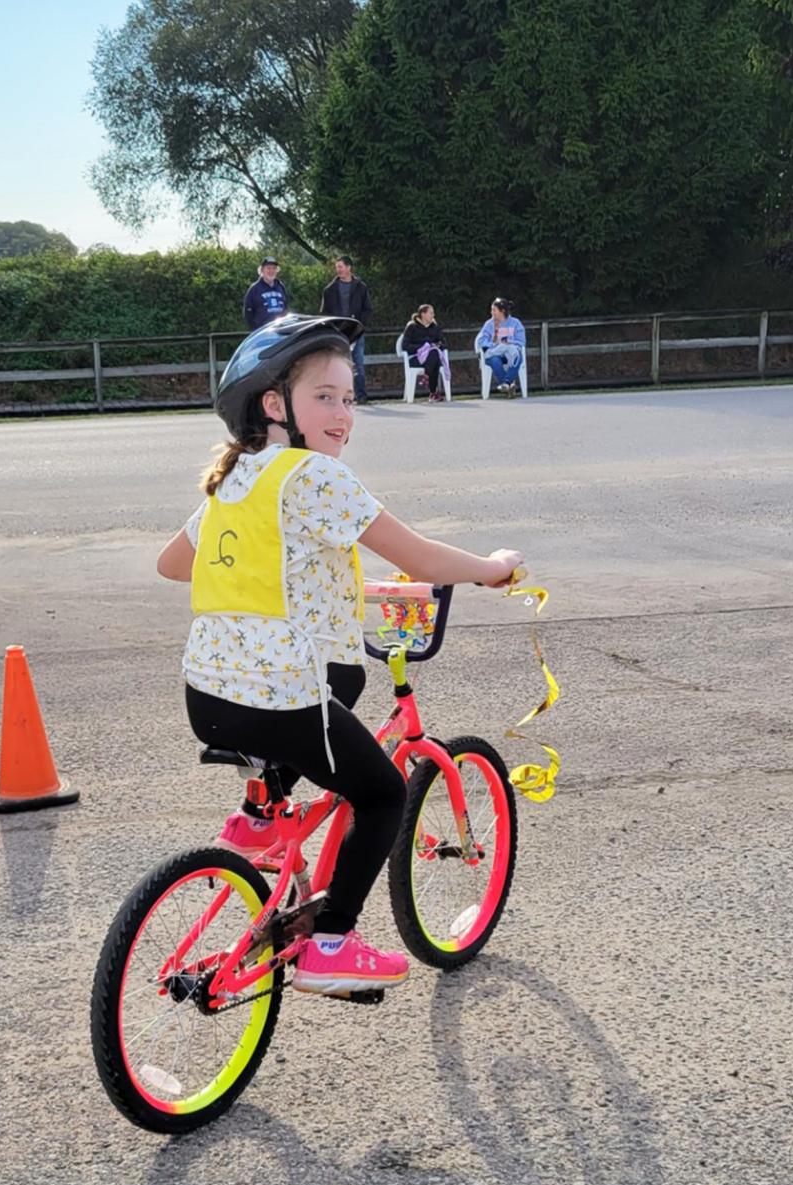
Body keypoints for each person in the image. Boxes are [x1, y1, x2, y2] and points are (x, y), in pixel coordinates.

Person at [156, 314, 525, 997]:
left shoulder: (232, 484)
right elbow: (418, 555)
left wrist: (291, 571)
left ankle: (260, 815)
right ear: (275, 405)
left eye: (351, 399)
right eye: (325, 396)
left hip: (208, 699)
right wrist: (492, 567)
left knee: (341, 682)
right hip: (280, 699)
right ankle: (331, 941)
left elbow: (174, 565)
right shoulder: (314, 479)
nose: (344, 414)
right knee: (383, 792)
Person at [319, 255, 372, 402]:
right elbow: (324, 313)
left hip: (357, 331)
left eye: (341, 267)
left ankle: (361, 396)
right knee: (338, 364)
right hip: (338, 333)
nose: (338, 270)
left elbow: (367, 309)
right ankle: (341, 397)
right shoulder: (329, 290)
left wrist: (360, 324)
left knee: (358, 364)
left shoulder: (361, 287)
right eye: (337, 267)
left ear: (349, 268)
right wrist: (332, 327)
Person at [475, 297, 526, 395]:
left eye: (494, 310)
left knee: (518, 357)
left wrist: (509, 344)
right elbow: (481, 340)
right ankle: (509, 385)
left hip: (510, 353)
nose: (491, 313)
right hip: (494, 353)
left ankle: (506, 384)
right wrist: (495, 344)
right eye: (491, 310)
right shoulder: (489, 324)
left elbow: (521, 341)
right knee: (495, 360)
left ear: (502, 311)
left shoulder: (516, 323)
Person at [400, 303, 450, 401]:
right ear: (423, 314)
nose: (433, 315)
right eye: (431, 313)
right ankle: (433, 393)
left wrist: (436, 346)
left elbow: (445, 344)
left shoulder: (435, 328)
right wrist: (423, 347)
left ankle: (426, 377)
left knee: (434, 354)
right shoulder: (412, 327)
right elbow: (405, 346)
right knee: (435, 359)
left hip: (432, 357)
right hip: (416, 358)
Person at [243, 258, 289, 330]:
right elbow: (248, 313)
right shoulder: (254, 289)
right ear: (262, 270)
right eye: (268, 268)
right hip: (263, 333)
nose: (271, 271)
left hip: (281, 331)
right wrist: (255, 328)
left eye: (274, 268)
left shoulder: (281, 287)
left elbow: (286, 307)